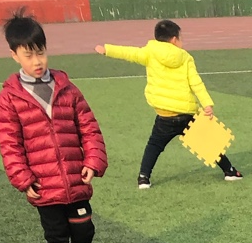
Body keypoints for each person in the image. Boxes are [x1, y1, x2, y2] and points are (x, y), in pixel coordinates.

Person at [0, 10, 107, 243]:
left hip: (74, 177)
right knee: (56, 236)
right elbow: (9, 144)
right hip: (43, 184)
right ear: (14, 56)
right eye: (29, 55)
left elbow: (89, 127)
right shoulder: (9, 97)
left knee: (84, 231)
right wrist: (23, 179)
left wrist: (93, 161)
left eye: (41, 52)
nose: (37, 61)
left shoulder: (67, 88)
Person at [94, 21, 242, 188]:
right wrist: (207, 104)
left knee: (154, 146)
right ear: (173, 39)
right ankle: (229, 171)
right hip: (186, 113)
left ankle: (143, 178)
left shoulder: (150, 52)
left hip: (165, 115)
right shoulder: (185, 58)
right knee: (207, 143)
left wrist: (107, 49)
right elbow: (196, 83)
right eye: (180, 38)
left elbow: (129, 53)